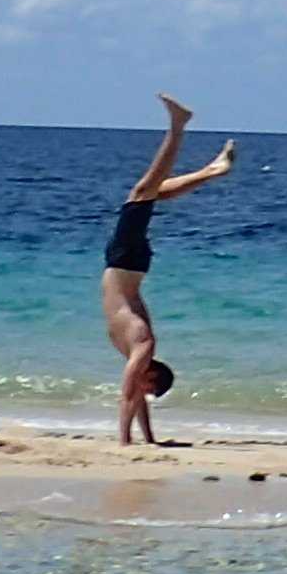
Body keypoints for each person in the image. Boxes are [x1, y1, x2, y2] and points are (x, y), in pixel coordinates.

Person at [101, 93, 232, 446]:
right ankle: (179, 129)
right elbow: (130, 393)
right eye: (151, 389)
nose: (145, 391)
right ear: (153, 376)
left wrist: (140, 441)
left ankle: (207, 163)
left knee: (148, 192)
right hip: (126, 262)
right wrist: (128, 441)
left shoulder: (138, 347)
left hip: (126, 263)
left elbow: (133, 395)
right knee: (144, 191)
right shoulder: (142, 343)